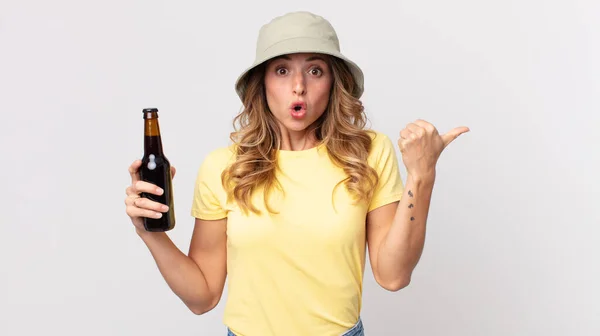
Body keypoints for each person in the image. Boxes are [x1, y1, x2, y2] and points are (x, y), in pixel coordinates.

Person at [124, 11, 469, 336]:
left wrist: (421, 176)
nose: (299, 86)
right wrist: (149, 232)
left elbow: (393, 276)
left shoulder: (368, 153)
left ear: (334, 83)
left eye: (315, 70)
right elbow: (202, 297)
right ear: (262, 85)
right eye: (282, 70)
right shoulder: (224, 167)